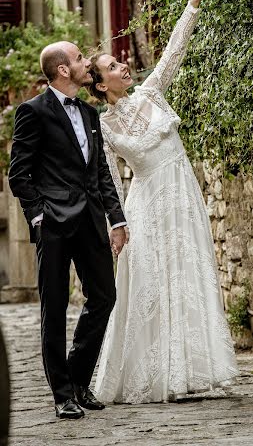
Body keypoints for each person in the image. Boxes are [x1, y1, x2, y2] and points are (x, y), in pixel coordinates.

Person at [90, 0, 239, 404]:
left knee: (188, 275)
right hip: (146, 205)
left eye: (120, 63)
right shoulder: (103, 125)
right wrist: (115, 228)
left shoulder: (151, 94)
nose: (123, 67)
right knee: (150, 286)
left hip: (181, 195)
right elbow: (111, 182)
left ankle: (192, 371)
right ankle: (153, 373)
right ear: (101, 85)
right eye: (114, 67)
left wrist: (192, 5)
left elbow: (173, 52)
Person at [8, 42, 129, 419]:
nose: (85, 62)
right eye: (78, 58)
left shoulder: (90, 113)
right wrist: (39, 216)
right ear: (63, 70)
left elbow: (101, 173)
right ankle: (61, 394)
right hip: (54, 226)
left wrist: (117, 219)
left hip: (91, 221)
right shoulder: (33, 112)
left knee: (104, 298)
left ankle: (77, 379)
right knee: (55, 309)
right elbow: (18, 174)